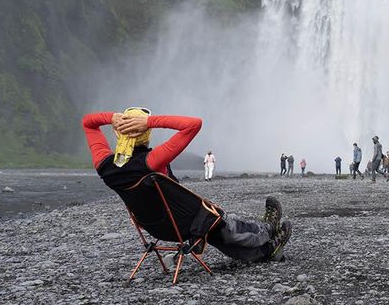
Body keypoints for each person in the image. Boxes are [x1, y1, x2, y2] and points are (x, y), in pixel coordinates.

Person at [81, 107, 291, 262]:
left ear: (118, 132)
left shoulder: (103, 164)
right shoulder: (152, 161)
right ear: (145, 133)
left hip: (157, 227)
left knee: (218, 234)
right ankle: (267, 229)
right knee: (224, 222)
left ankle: (267, 250)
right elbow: (193, 124)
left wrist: (111, 118)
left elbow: (88, 122)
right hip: (188, 222)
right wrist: (149, 121)